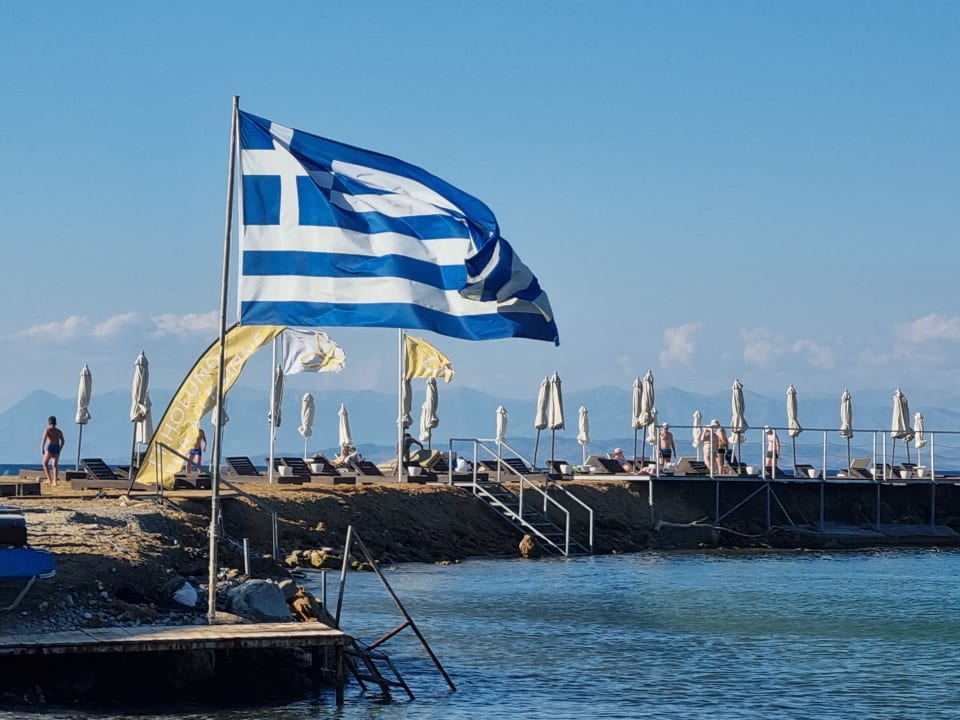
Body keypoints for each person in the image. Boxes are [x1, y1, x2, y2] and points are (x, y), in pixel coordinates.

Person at [40, 415, 65, 485]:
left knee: (45, 463)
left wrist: (42, 448)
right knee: (55, 465)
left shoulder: (48, 430)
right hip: (57, 447)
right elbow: (63, 441)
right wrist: (60, 448)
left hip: (50, 447)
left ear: (49, 422)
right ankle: (55, 481)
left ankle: (49, 479)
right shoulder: (59, 431)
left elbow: (44, 440)